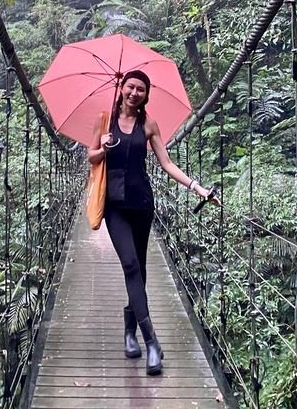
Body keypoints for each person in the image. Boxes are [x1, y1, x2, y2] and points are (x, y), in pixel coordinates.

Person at [87, 69, 219, 376]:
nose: (135, 93)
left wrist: (198, 188)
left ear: (146, 95)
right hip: (114, 207)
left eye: (141, 90)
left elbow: (167, 163)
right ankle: (152, 343)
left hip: (142, 204)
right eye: (130, 87)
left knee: (142, 271)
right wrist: (102, 147)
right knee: (131, 266)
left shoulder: (148, 124)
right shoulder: (103, 120)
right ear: (121, 88)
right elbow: (90, 157)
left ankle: (129, 331)